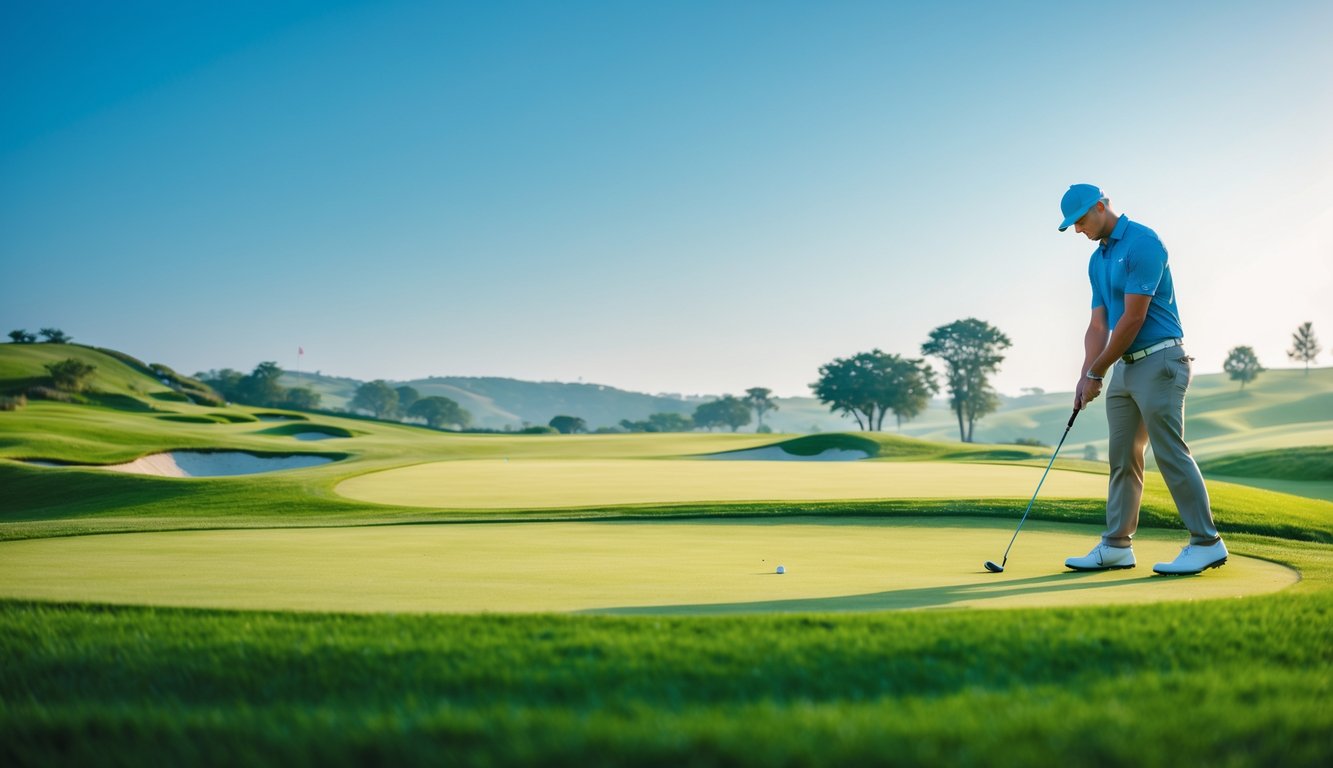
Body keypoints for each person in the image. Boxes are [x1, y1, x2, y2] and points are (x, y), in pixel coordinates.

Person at [1057, 184, 1227, 575]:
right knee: (1122, 458)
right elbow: (1099, 323)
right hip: (1125, 366)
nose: (1079, 230)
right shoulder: (1097, 260)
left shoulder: (1144, 243)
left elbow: (1133, 319)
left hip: (1162, 360)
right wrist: (1087, 373)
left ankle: (1207, 543)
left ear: (1101, 207)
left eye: (1082, 220)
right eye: (1074, 225)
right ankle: (1116, 545)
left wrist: (1098, 370)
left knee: (1170, 452)